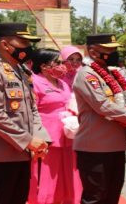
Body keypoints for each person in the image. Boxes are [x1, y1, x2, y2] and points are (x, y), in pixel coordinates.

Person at [0, 23, 50, 204]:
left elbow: (32, 107)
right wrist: (28, 140)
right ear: (5, 45)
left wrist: (39, 136)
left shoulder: (21, 72)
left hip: (19, 157)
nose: (28, 47)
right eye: (23, 41)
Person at [73, 34, 126, 204]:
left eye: (115, 49)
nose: (114, 53)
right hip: (95, 148)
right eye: (109, 50)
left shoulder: (111, 74)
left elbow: (123, 104)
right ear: (93, 52)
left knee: (112, 196)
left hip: (115, 146)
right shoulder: (87, 74)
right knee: (95, 198)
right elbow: (103, 105)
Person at [28, 49, 82, 204]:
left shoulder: (63, 83)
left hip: (67, 136)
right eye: (57, 62)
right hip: (46, 139)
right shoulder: (34, 82)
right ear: (44, 65)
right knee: (47, 178)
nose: (62, 65)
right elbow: (31, 111)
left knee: (68, 176)